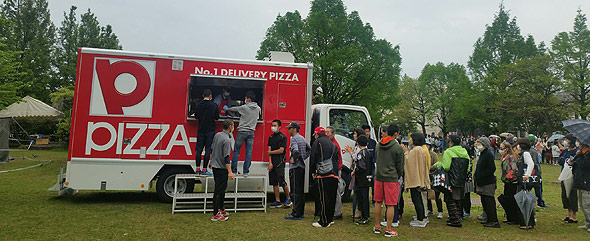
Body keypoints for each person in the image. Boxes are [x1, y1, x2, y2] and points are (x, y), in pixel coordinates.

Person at [373, 124, 403, 237]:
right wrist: (397, 175)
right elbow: (400, 166)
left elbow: (376, 158)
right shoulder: (398, 148)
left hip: (379, 177)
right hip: (391, 178)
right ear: (395, 134)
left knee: (378, 202)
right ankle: (388, 229)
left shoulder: (378, 145)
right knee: (391, 204)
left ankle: (376, 226)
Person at [436, 135, 470, 228]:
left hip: (451, 178)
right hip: (461, 179)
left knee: (450, 199)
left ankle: (455, 220)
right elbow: (468, 167)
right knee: (458, 199)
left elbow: (446, 166)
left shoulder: (449, 151)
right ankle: (457, 217)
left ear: (451, 142)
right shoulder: (464, 152)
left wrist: (438, 164)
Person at [309, 127, 340, 228]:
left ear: (317, 134)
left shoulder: (317, 142)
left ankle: (323, 221)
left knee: (323, 198)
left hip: (324, 174)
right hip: (334, 173)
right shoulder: (332, 143)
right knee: (331, 198)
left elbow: (313, 157)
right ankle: (330, 219)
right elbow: (337, 158)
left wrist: (313, 171)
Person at [227, 91, 261, 175]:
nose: (245, 100)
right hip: (251, 132)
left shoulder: (244, 107)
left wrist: (227, 109)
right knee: (248, 152)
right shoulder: (258, 108)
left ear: (248, 99)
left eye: (245, 98)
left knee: (236, 151)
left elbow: (234, 109)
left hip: (242, 131)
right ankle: (246, 171)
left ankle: (234, 170)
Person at [209, 119, 235, 221]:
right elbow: (226, 157)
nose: (233, 127)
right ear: (230, 126)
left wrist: (211, 161)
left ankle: (221, 208)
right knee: (219, 191)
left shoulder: (217, 135)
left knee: (222, 189)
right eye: (233, 125)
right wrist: (230, 171)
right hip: (221, 168)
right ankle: (215, 214)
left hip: (215, 166)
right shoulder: (227, 140)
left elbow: (212, 149)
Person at [284, 122, 310, 220]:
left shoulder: (294, 138)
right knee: (300, 191)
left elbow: (295, 150)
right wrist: (303, 157)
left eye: (289, 128)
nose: (288, 130)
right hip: (302, 167)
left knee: (294, 191)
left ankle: (296, 213)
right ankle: (300, 212)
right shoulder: (302, 138)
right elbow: (309, 149)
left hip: (295, 167)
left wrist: (295, 158)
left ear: (294, 129)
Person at [404, 133, 430, 228]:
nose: (410, 141)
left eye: (411, 139)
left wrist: (406, 152)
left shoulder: (416, 150)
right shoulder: (420, 149)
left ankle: (420, 220)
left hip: (415, 179)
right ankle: (422, 216)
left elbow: (409, 162)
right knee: (418, 198)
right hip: (419, 177)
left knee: (416, 199)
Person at [474, 137, 500, 228]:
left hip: (488, 182)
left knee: (489, 201)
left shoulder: (488, 154)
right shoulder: (483, 154)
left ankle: (493, 220)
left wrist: (481, 175)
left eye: (478, 143)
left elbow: (492, 168)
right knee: (485, 200)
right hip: (483, 181)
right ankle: (489, 219)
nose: (476, 144)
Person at [194, 89, 219, 175]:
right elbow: (217, 117)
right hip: (210, 130)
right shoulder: (214, 105)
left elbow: (196, 116)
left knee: (199, 150)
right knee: (208, 150)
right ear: (210, 96)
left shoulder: (198, 105)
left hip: (201, 130)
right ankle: (204, 170)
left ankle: (197, 169)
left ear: (202, 95)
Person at [514, 138, 538, 230]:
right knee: (523, 200)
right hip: (522, 179)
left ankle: (527, 221)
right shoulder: (522, 154)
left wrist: (527, 174)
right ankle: (526, 221)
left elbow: (531, 164)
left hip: (525, 180)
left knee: (525, 201)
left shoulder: (526, 154)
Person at [267, 120, 291, 208]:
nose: (273, 127)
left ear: (279, 127)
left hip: (280, 162)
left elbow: (281, 150)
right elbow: (268, 152)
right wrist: (270, 163)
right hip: (272, 163)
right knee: (274, 182)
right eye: (272, 125)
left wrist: (271, 152)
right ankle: (277, 200)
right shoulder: (270, 137)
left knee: (282, 181)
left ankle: (288, 198)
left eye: (275, 125)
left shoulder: (283, 137)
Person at [352, 135, 372, 225]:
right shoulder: (368, 152)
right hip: (367, 179)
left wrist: (355, 171)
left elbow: (361, 167)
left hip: (362, 179)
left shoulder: (361, 153)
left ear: (358, 143)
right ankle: (366, 215)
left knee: (363, 199)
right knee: (365, 198)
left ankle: (365, 217)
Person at [570, 139, 590, 233]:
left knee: (587, 205)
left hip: (587, 183)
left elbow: (584, 165)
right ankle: (587, 223)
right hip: (581, 182)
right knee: (582, 205)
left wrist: (580, 155)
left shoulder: (587, 155)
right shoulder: (582, 155)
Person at [498, 141, 520, 225]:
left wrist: (508, 176)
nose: (500, 150)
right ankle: (509, 217)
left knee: (511, 200)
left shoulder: (511, 158)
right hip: (506, 182)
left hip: (512, 182)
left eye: (501, 148)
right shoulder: (504, 157)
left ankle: (513, 218)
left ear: (506, 149)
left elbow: (515, 169)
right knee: (507, 199)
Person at [559, 134, 578, 224]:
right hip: (564, 174)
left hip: (572, 175)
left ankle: (574, 216)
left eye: (567, 139)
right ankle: (569, 214)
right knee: (565, 194)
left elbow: (575, 162)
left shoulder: (577, 151)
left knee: (572, 195)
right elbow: (560, 160)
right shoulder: (565, 151)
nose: (565, 141)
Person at [325, 126, 343, 220]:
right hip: (332, 169)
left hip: (336, 169)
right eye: (325, 132)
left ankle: (337, 212)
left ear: (333, 134)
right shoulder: (330, 143)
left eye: (328, 132)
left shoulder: (334, 145)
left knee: (336, 191)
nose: (326, 134)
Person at [426, 139, 444, 219]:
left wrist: (429, 168)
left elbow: (437, 165)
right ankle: (430, 209)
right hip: (425, 177)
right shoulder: (422, 154)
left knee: (437, 194)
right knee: (427, 194)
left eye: (427, 145)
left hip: (433, 176)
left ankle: (440, 211)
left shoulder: (433, 154)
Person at [528, 135, 546, 208]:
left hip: (529, 172)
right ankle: (540, 202)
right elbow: (537, 161)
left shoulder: (528, 150)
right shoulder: (533, 151)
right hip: (535, 171)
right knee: (538, 188)